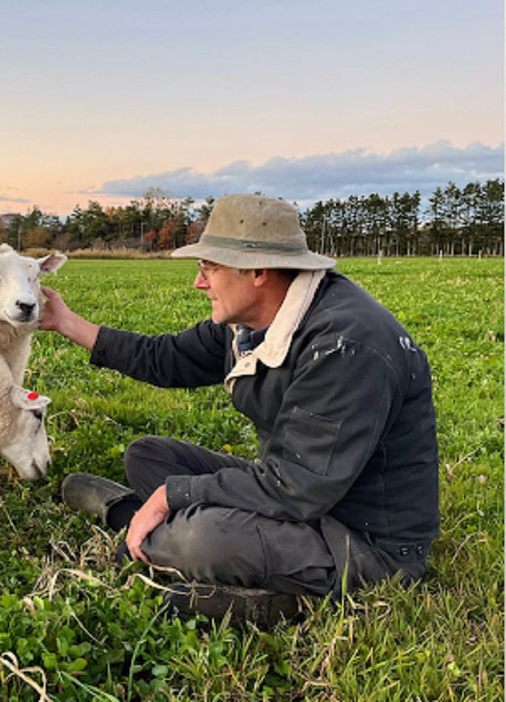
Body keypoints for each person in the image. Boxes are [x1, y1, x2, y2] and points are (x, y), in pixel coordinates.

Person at [39, 194, 439, 627]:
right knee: (148, 456)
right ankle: (165, 528)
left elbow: (296, 486)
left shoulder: (346, 346)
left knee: (201, 538)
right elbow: (166, 357)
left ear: (258, 271)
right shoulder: (252, 324)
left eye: (209, 268)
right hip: (299, 494)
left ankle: (132, 522)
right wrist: (67, 323)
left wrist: (173, 496)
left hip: (361, 539)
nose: (199, 282)